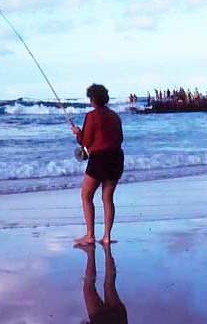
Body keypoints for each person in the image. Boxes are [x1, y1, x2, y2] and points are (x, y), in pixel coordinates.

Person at [71, 84, 124, 245]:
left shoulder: (92, 116)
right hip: (116, 158)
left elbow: (85, 142)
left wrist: (77, 133)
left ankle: (90, 235)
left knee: (86, 196)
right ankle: (107, 237)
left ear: (93, 99)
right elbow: (120, 138)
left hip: (100, 159)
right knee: (107, 198)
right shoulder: (115, 116)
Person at [77, 242, 128, 324]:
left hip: (119, 319)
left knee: (109, 285)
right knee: (89, 288)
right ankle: (91, 254)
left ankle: (107, 251)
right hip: (101, 319)